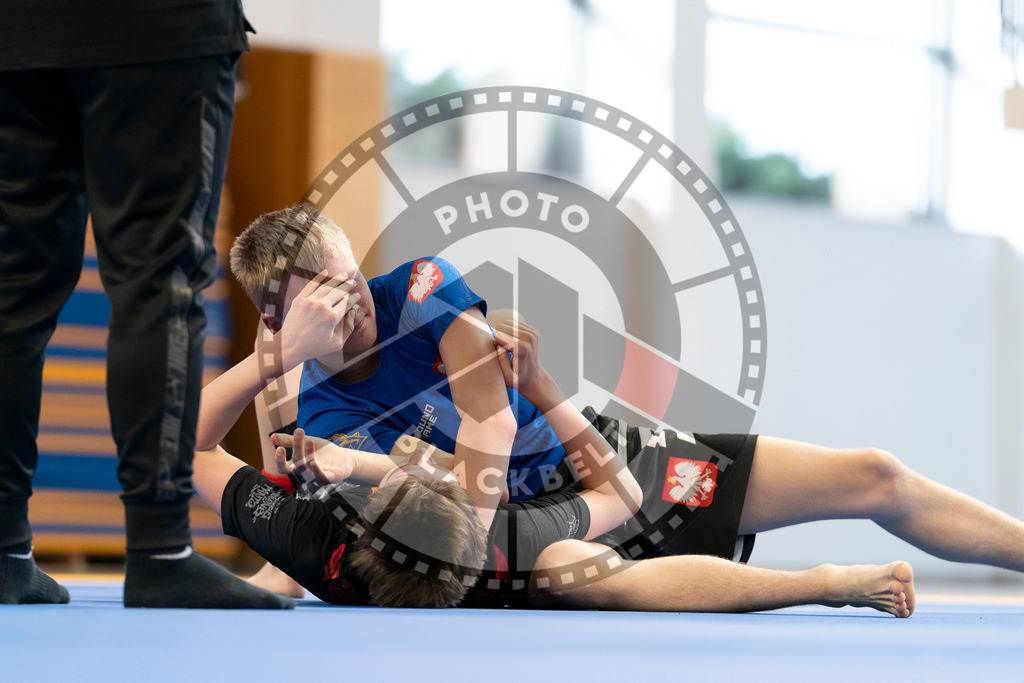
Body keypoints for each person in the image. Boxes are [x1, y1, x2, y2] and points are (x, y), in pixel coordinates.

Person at [193, 312, 920, 617]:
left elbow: (189, 445)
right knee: (574, 557)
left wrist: (278, 357)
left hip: (418, 557)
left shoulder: (315, 543)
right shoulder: (507, 543)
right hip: (528, 558)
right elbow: (625, 494)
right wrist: (542, 387)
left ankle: (826, 582)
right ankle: (819, 582)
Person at [0, 1, 292, 608]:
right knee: (161, 285)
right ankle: (160, 551)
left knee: (9, 296)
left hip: (17, 34)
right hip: (159, 28)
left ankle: (2, 551)